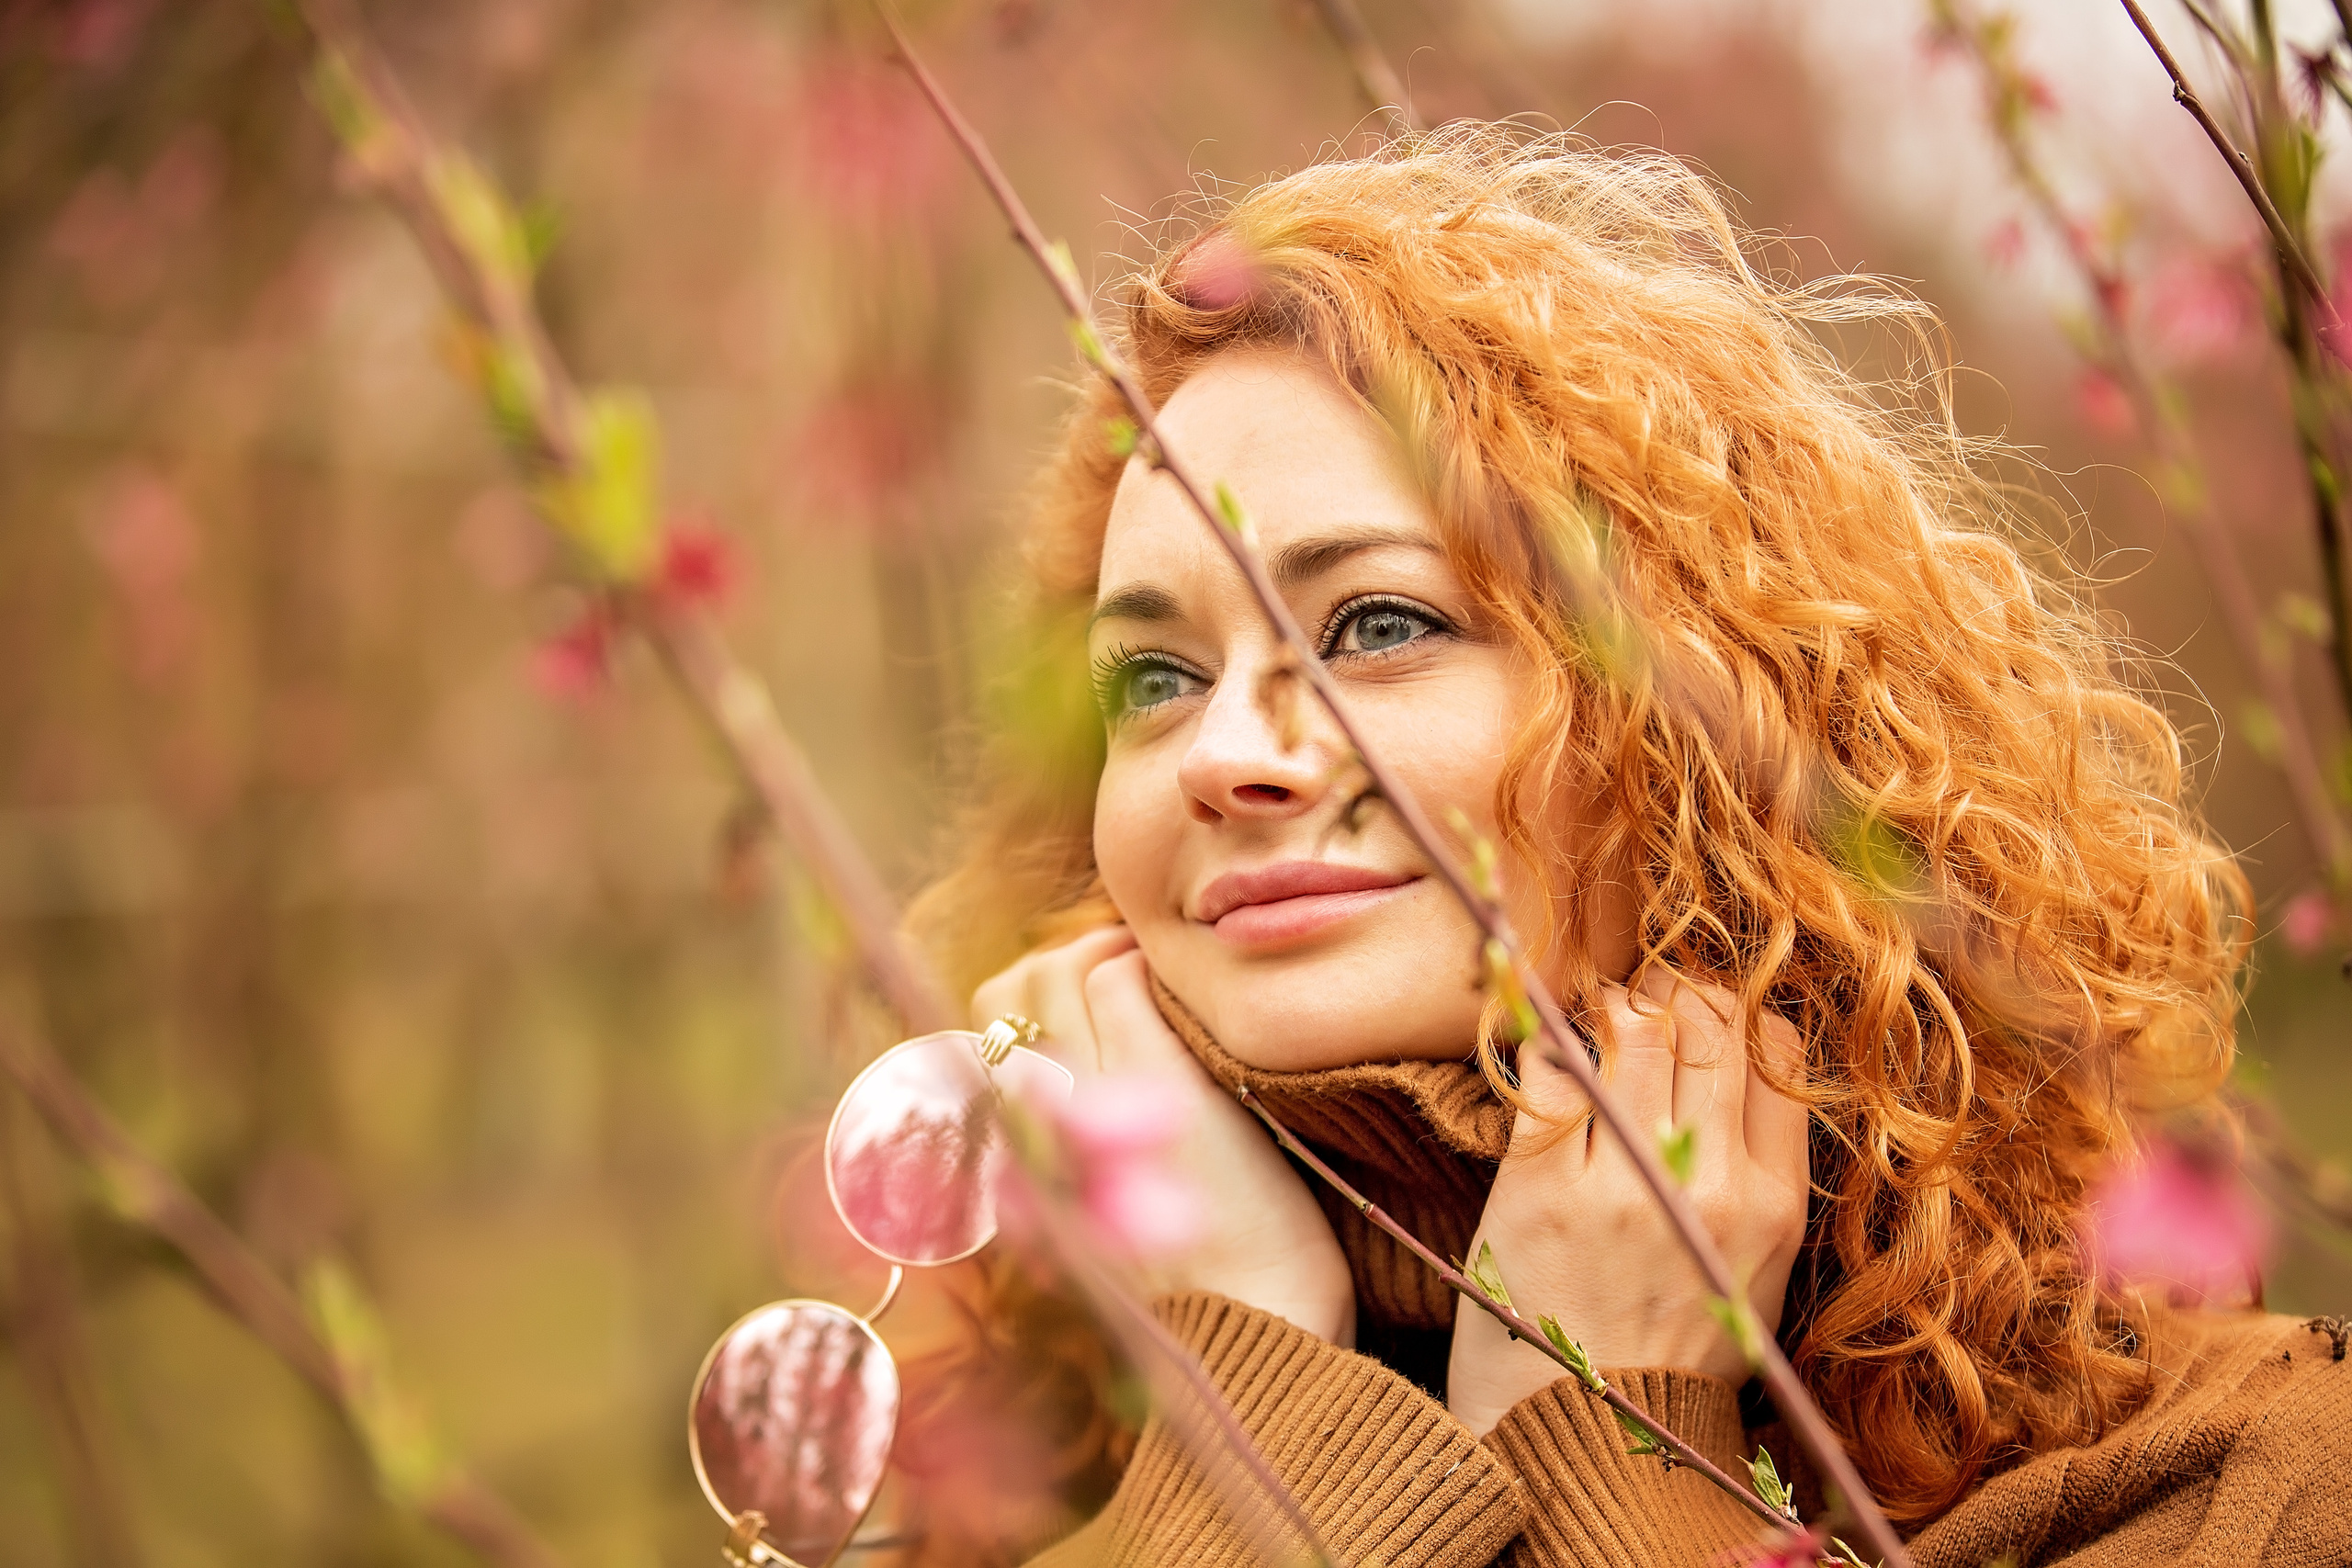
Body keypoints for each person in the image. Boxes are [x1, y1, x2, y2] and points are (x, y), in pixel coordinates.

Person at [905, 128, 2348, 1567]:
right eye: (1151, 678)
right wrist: (1248, 1423)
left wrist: (1616, 1446)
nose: (1223, 756)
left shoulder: (2246, 1483)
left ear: (1705, 720)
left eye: (1378, 626)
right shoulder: (981, 1490)